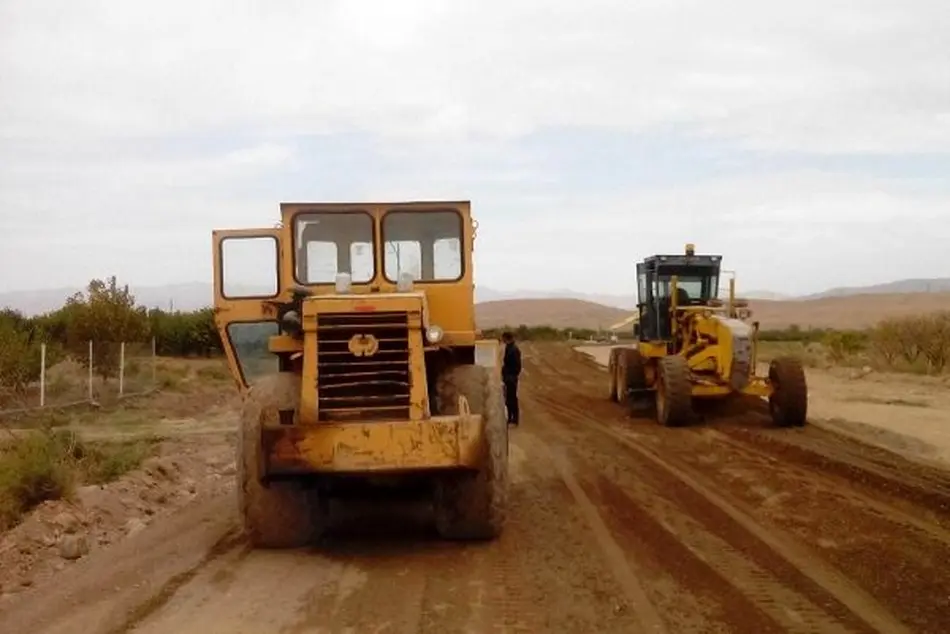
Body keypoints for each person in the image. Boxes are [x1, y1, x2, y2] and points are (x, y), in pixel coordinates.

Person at [501, 331, 522, 425]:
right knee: (509, 398)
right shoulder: (510, 348)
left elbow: (517, 366)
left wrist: (511, 375)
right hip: (509, 376)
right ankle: (511, 418)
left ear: (506, 338)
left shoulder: (513, 349)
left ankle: (514, 418)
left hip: (511, 377)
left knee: (512, 398)